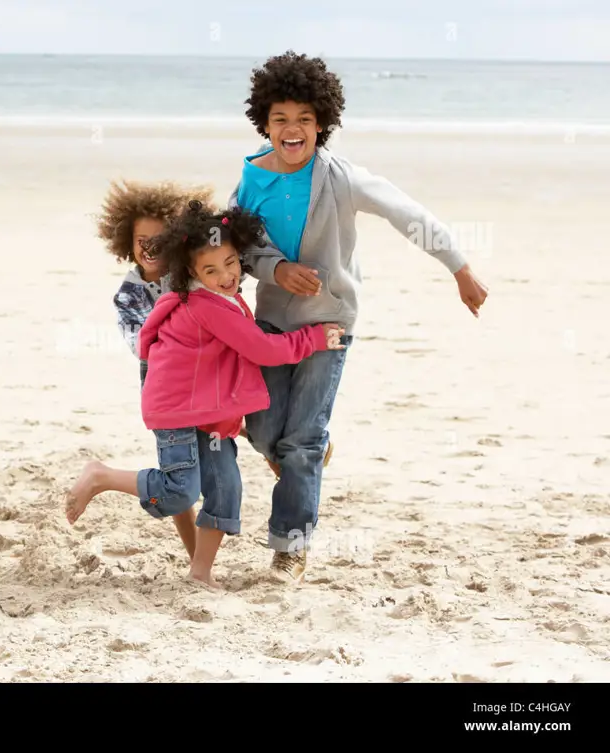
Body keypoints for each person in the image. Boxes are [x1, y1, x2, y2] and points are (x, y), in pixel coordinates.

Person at [229, 50, 490, 583]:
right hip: (273, 323)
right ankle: (318, 450)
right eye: (280, 118)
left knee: (298, 442)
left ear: (321, 123)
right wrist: (276, 270)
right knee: (261, 430)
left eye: (304, 118)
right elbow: (238, 244)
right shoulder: (251, 178)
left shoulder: (341, 179)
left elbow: (406, 212)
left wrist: (458, 266)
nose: (292, 129)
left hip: (329, 324)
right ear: (265, 122)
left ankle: (290, 546)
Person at [65, 201, 345, 587]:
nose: (225, 275)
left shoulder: (224, 299)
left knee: (227, 490)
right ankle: (101, 476)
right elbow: (263, 350)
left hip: (209, 415)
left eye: (230, 263)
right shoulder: (206, 305)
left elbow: (226, 364)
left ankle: (199, 572)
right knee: (180, 492)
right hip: (178, 413)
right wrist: (315, 338)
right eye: (211, 271)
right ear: (190, 273)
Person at [98, 179, 214, 559]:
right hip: (167, 397)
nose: (149, 247)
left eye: (159, 239)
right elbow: (142, 347)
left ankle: (284, 454)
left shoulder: (190, 276)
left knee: (214, 460)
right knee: (180, 477)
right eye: (140, 239)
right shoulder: (128, 295)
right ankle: (196, 555)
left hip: (208, 385)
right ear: (127, 244)